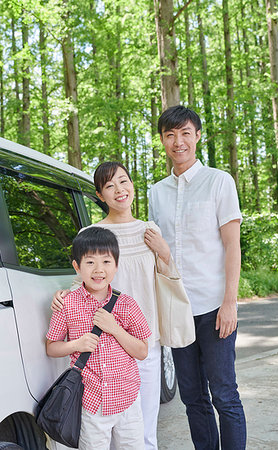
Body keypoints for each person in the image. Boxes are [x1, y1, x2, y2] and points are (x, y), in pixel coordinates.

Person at [51, 161, 175, 450]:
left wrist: (165, 252)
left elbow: (169, 280)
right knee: (100, 432)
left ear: (132, 184)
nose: (119, 190)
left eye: (123, 181)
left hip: (143, 342)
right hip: (102, 347)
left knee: (143, 432)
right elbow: (82, 279)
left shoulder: (149, 230)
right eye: (110, 186)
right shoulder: (90, 233)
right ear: (100, 194)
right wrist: (63, 295)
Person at [148, 105, 246, 450]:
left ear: (198, 135)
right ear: (162, 140)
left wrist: (229, 303)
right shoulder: (155, 192)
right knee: (192, 398)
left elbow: (232, 247)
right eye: (170, 135)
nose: (178, 142)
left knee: (224, 395)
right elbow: (154, 253)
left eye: (185, 133)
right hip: (177, 312)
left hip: (214, 307)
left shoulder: (219, 181)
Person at [46, 226, 151, 449]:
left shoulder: (127, 304)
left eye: (106, 262)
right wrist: (77, 344)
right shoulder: (67, 304)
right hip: (91, 404)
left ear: (116, 265)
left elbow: (142, 351)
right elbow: (51, 347)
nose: (98, 270)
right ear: (77, 266)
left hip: (127, 400)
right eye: (90, 262)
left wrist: (115, 329)